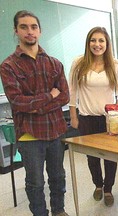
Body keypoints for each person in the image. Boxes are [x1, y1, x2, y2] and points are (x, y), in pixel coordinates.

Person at [0, 10, 70, 216]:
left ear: (39, 31)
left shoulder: (54, 63)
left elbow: (64, 96)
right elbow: (18, 102)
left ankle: (59, 211)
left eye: (33, 27)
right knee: (35, 182)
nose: (29, 32)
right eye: (24, 27)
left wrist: (35, 104)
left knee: (58, 176)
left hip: (55, 131)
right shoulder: (8, 66)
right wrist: (50, 96)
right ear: (16, 31)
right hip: (29, 134)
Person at [69, 27, 118, 207]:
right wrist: (73, 116)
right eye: (93, 40)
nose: (97, 44)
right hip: (86, 118)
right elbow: (72, 91)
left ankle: (108, 188)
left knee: (111, 157)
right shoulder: (79, 63)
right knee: (92, 157)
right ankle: (98, 185)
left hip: (110, 120)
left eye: (101, 41)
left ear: (107, 44)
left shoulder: (114, 64)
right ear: (88, 43)